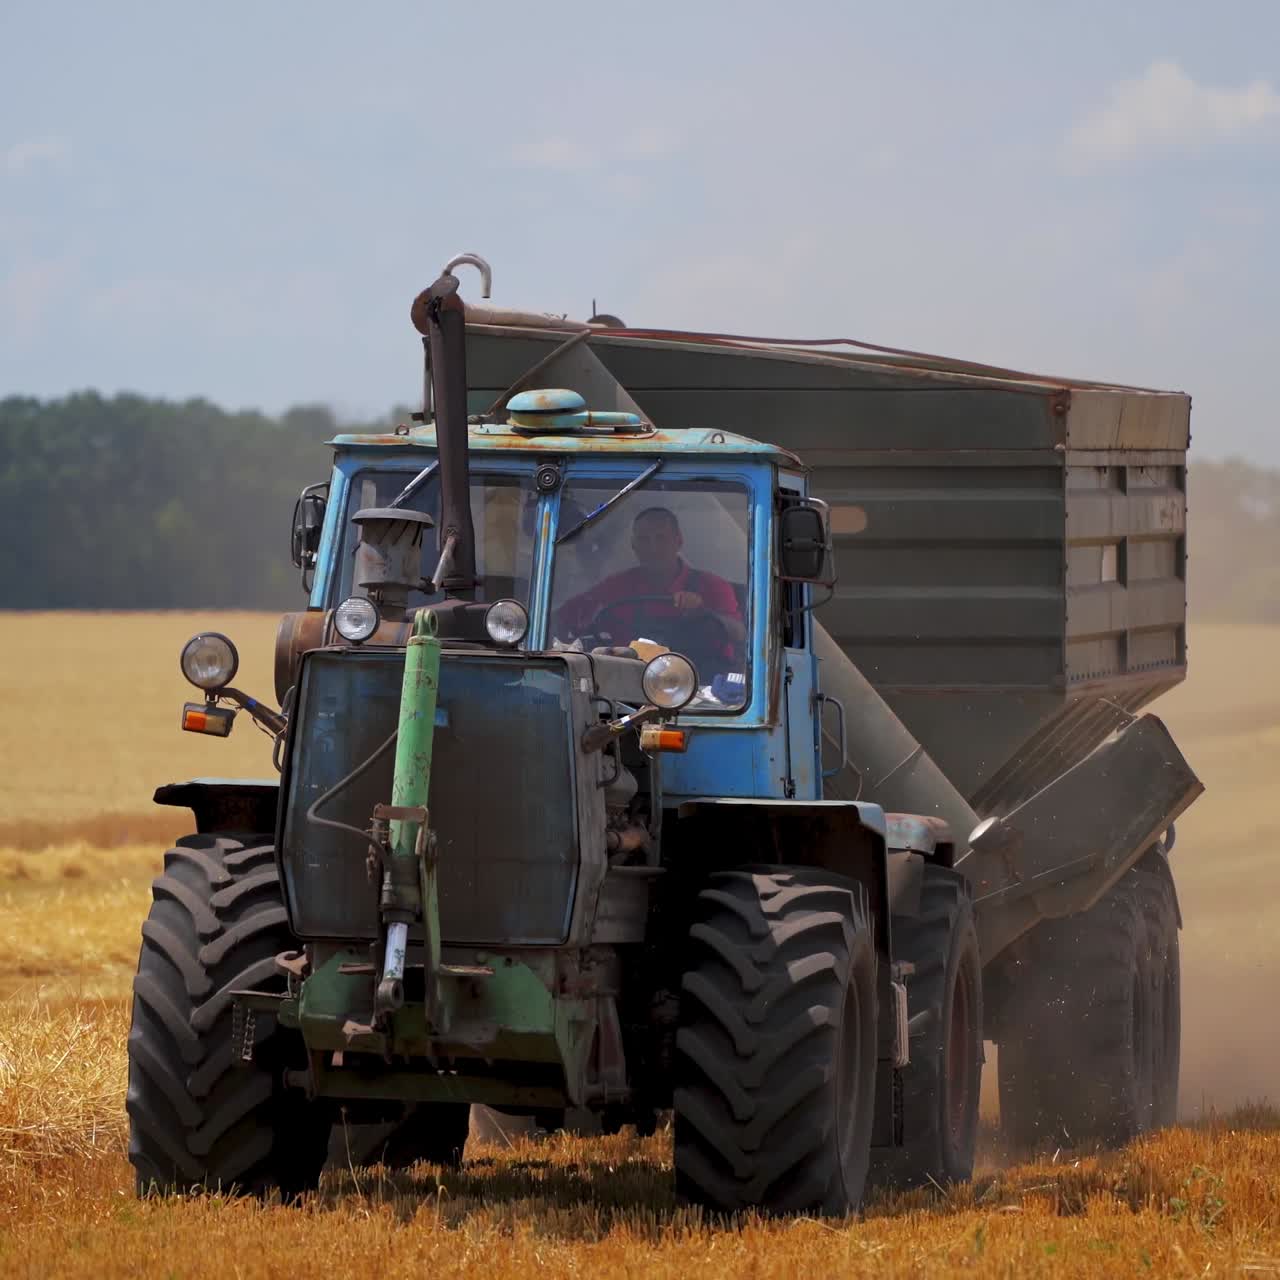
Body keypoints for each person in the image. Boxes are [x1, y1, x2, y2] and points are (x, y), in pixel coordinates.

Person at [556, 506, 745, 674]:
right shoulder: (615, 587)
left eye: (661, 538)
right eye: (644, 540)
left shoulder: (713, 586)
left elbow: (740, 635)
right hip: (625, 690)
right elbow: (563, 618)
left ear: (678, 541)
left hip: (699, 695)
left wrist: (703, 611)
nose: (653, 548)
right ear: (634, 546)